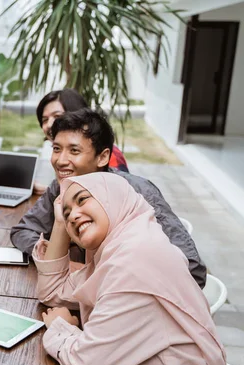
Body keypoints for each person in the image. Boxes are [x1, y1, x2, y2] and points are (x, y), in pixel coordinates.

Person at [34, 172, 227, 365]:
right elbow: (51, 291)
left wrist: (60, 327)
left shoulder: (135, 262)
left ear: (114, 199)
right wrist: (59, 222)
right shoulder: (119, 250)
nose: (73, 216)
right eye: (67, 214)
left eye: (83, 199)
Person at [11, 109, 207, 288]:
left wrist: (101, 275)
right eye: (56, 149)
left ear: (103, 157)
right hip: (82, 295)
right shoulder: (61, 188)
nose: (61, 160)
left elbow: (193, 269)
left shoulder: (139, 193)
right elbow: (23, 231)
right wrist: (57, 255)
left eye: (74, 151)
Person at [37, 88, 128, 172]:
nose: (49, 125)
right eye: (45, 120)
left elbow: (119, 187)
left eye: (57, 116)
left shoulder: (109, 155)